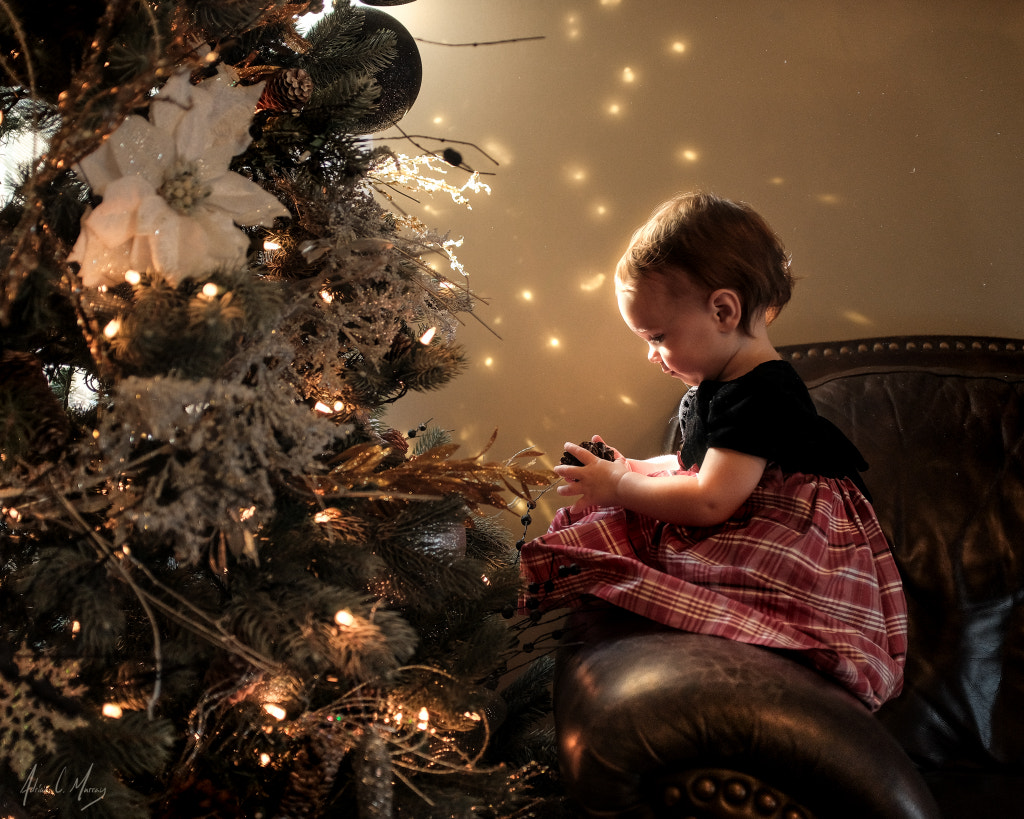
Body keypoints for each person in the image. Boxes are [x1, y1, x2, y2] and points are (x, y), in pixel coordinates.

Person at [519, 191, 907, 710]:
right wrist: (631, 468)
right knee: (625, 514)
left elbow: (709, 500)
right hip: (737, 505)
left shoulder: (761, 393)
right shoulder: (715, 387)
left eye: (657, 335)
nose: (651, 355)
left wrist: (620, 487)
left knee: (635, 521)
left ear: (724, 310)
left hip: (793, 540)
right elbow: (694, 468)